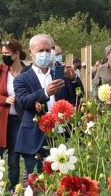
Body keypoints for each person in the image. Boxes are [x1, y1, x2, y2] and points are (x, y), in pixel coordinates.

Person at [13, 33, 74, 176]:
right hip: (35, 137)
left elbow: (74, 98)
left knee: (61, 181)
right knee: (36, 181)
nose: (45, 54)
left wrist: (74, 79)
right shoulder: (22, 79)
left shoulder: (59, 74)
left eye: (48, 50)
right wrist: (45, 93)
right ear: (31, 52)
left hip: (61, 135)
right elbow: (23, 102)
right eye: (40, 51)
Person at [0, 40, 26, 188]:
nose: (4, 56)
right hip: (0, 119)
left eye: (7, 53)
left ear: (16, 54)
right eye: (2, 53)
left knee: (14, 160)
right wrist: (5, 99)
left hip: (18, 120)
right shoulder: (0, 70)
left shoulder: (27, 71)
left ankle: (12, 192)